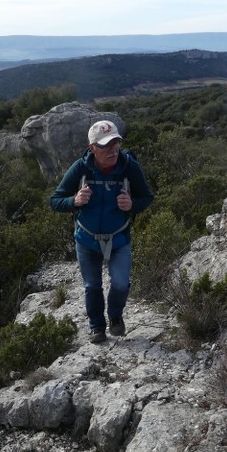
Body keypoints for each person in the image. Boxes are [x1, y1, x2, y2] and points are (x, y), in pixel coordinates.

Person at [50, 119, 154, 343]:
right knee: (92, 286)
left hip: (119, 237)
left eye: (115, 143)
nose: (113, 150)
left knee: (120, 283)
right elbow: (55, 200)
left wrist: (132, 204)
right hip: (86, 239)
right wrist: (74, 201)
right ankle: (97, 326)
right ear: (92, 148)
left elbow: (147, 197)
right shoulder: (80, 169)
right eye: (106, 145)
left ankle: (115, 316)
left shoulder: (129, 167)